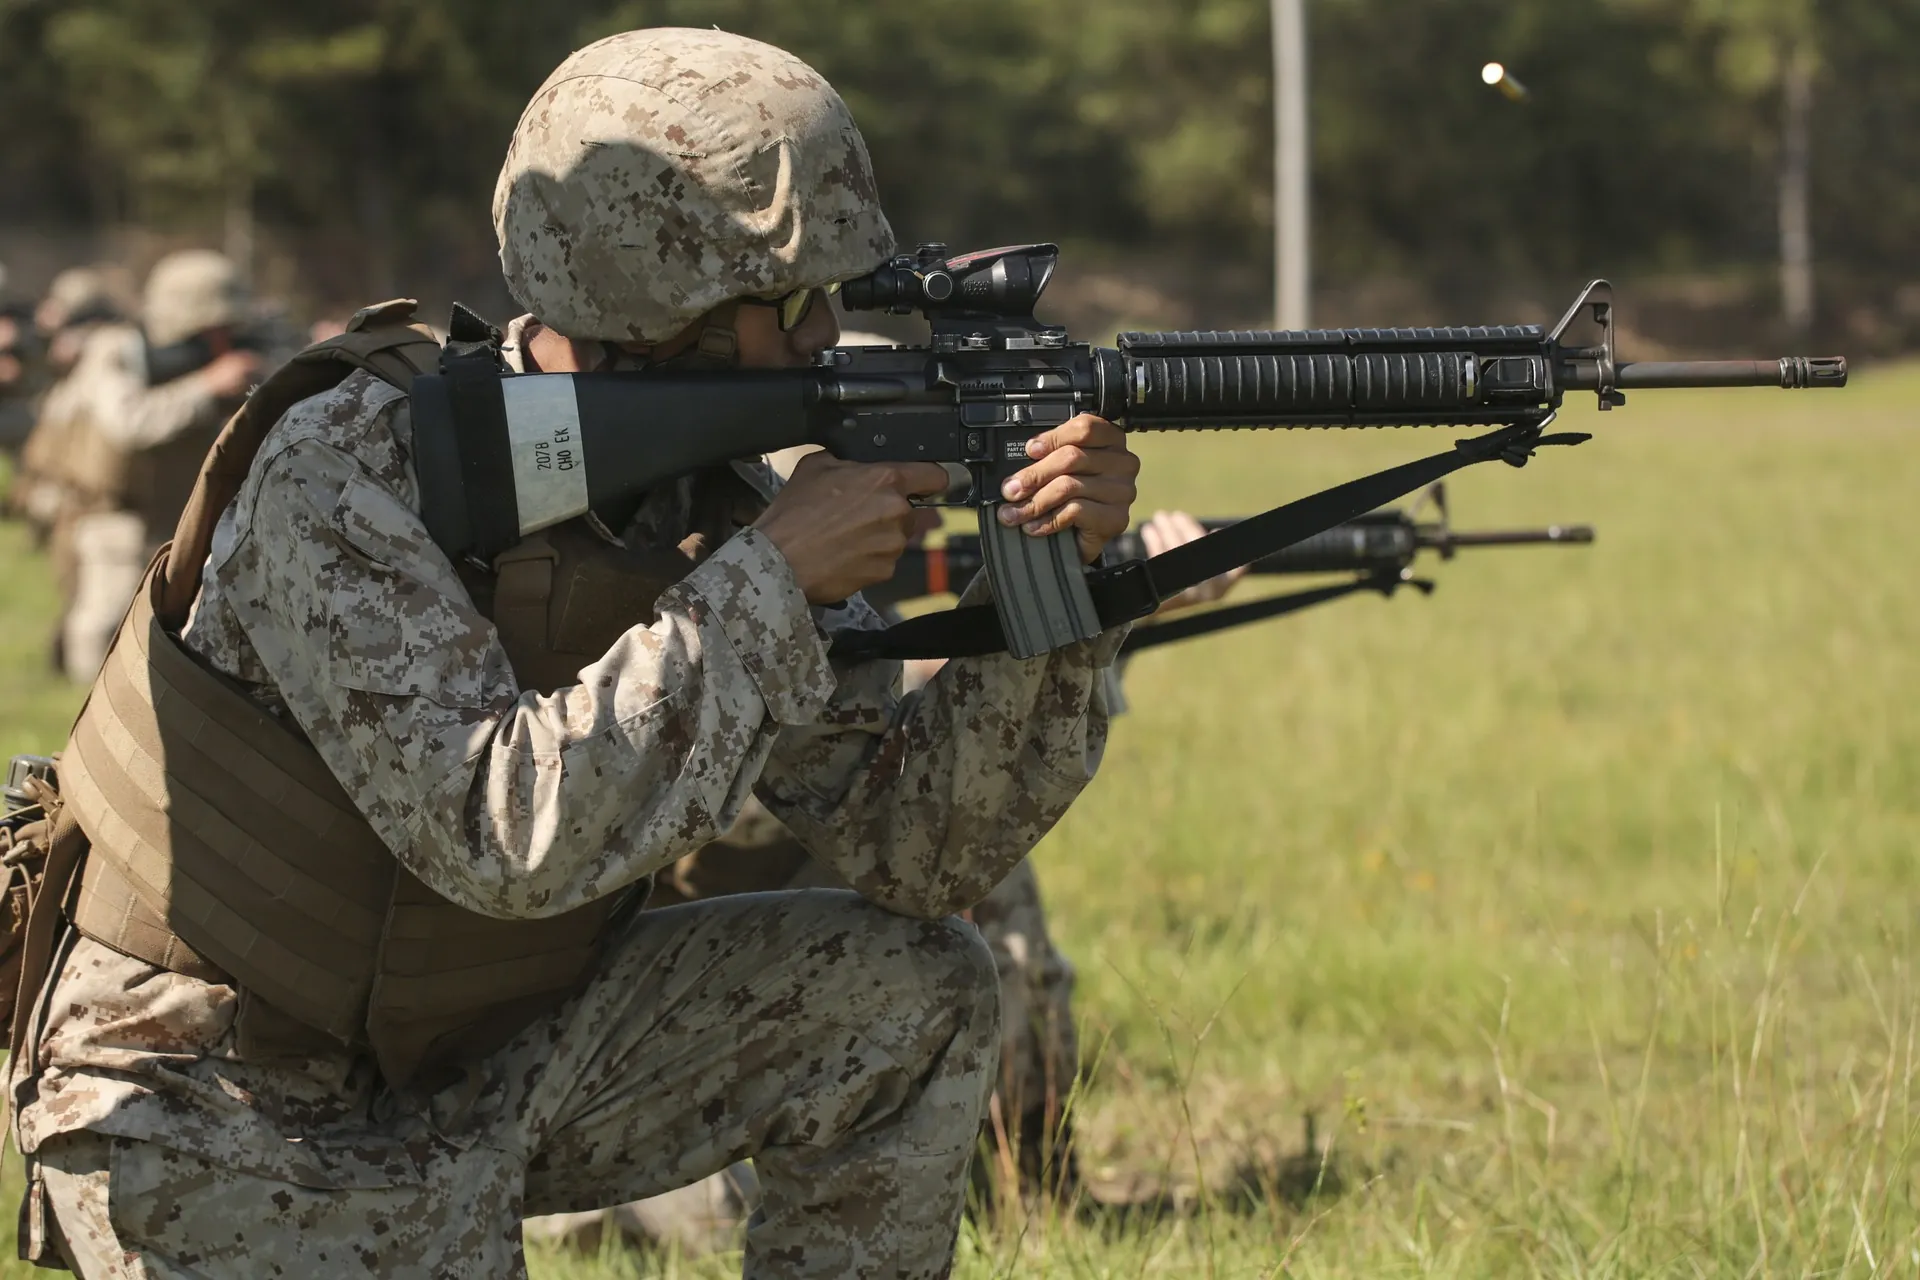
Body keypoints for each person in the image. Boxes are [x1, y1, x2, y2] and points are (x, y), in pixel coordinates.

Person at [11, 28, 1140, 1280]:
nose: (828, 333)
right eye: (792, 302)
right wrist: (770, 579)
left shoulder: (720, 493)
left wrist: (1062, 580)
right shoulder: (344, 469)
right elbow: (502, 836)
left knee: (910, 986)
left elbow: (918, 846)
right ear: (664, 304)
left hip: (475, 1051)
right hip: (211, 1092)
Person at [25, 250, 260, 682]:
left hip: (176, 516)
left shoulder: (215, 358)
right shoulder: (116, 350)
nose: (222, 340)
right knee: (103, 621)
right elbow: (129, 423)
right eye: (213, 329)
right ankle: (87, 719)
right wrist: (206, 385)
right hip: (113, 514)